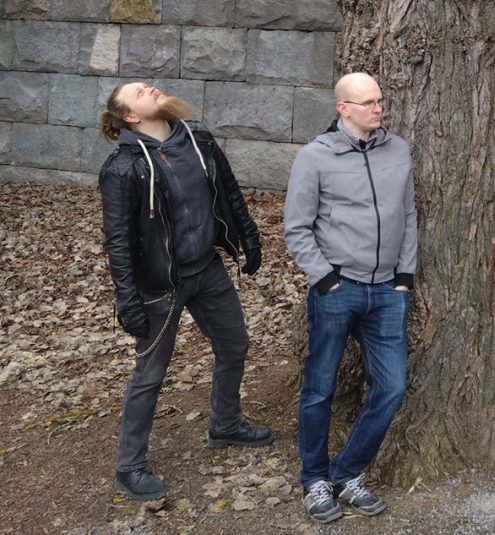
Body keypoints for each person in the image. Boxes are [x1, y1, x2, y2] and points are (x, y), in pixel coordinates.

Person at [98, 82, 273, 501]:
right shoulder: (122, 168)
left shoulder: (198, 139)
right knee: (150, 374)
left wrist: (248, 237)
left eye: (147, 84)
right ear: (130, 117)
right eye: (139, 92)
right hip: (160, 285)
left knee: (234, 344)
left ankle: (225, 424)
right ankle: (129, 467)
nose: (149, 87)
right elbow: (118, 241)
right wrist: (127, 298)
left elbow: (228, 191)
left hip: (207, 269)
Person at [284, 72, 417, 524]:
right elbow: (297, 227)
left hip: (388, 292)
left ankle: (347, 473)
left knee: (392, 387)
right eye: (367, 103)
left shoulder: (397, 150)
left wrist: (404, 276)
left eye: (380, 100)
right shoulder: (315, 157)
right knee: (319, 388)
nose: (378, 109)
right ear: (343, 108)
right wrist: (324, 279)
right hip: (338, 290)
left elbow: (408, 213)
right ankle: (314, 479)